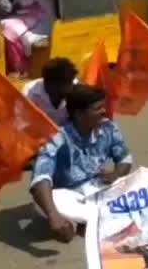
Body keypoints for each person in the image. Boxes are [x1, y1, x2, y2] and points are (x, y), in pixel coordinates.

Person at [30, 84, 132, 242]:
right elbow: (40, 177)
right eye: (97, 108)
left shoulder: (108, 128)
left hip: (100, 187)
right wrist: (53, 215)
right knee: (55, 199)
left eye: (103, 106)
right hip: (70, 195)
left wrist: (116, 174)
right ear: (79, 114)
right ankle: (93, 219)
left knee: (142, 179)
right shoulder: (57, 136)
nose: (104, 112)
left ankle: (88, 221)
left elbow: (124, 157)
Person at [2, 0, 57, 74]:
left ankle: (21, 65)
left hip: (43, 21)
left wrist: (11, 8)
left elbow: (23, 2)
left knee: (9, 27)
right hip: (26, 17)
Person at [23, 57, 79, 125]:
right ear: (52, 85)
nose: (72, 86)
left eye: (72, 81)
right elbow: (24, 122)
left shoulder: (75, 87)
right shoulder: (30, 94)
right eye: (69, 83)